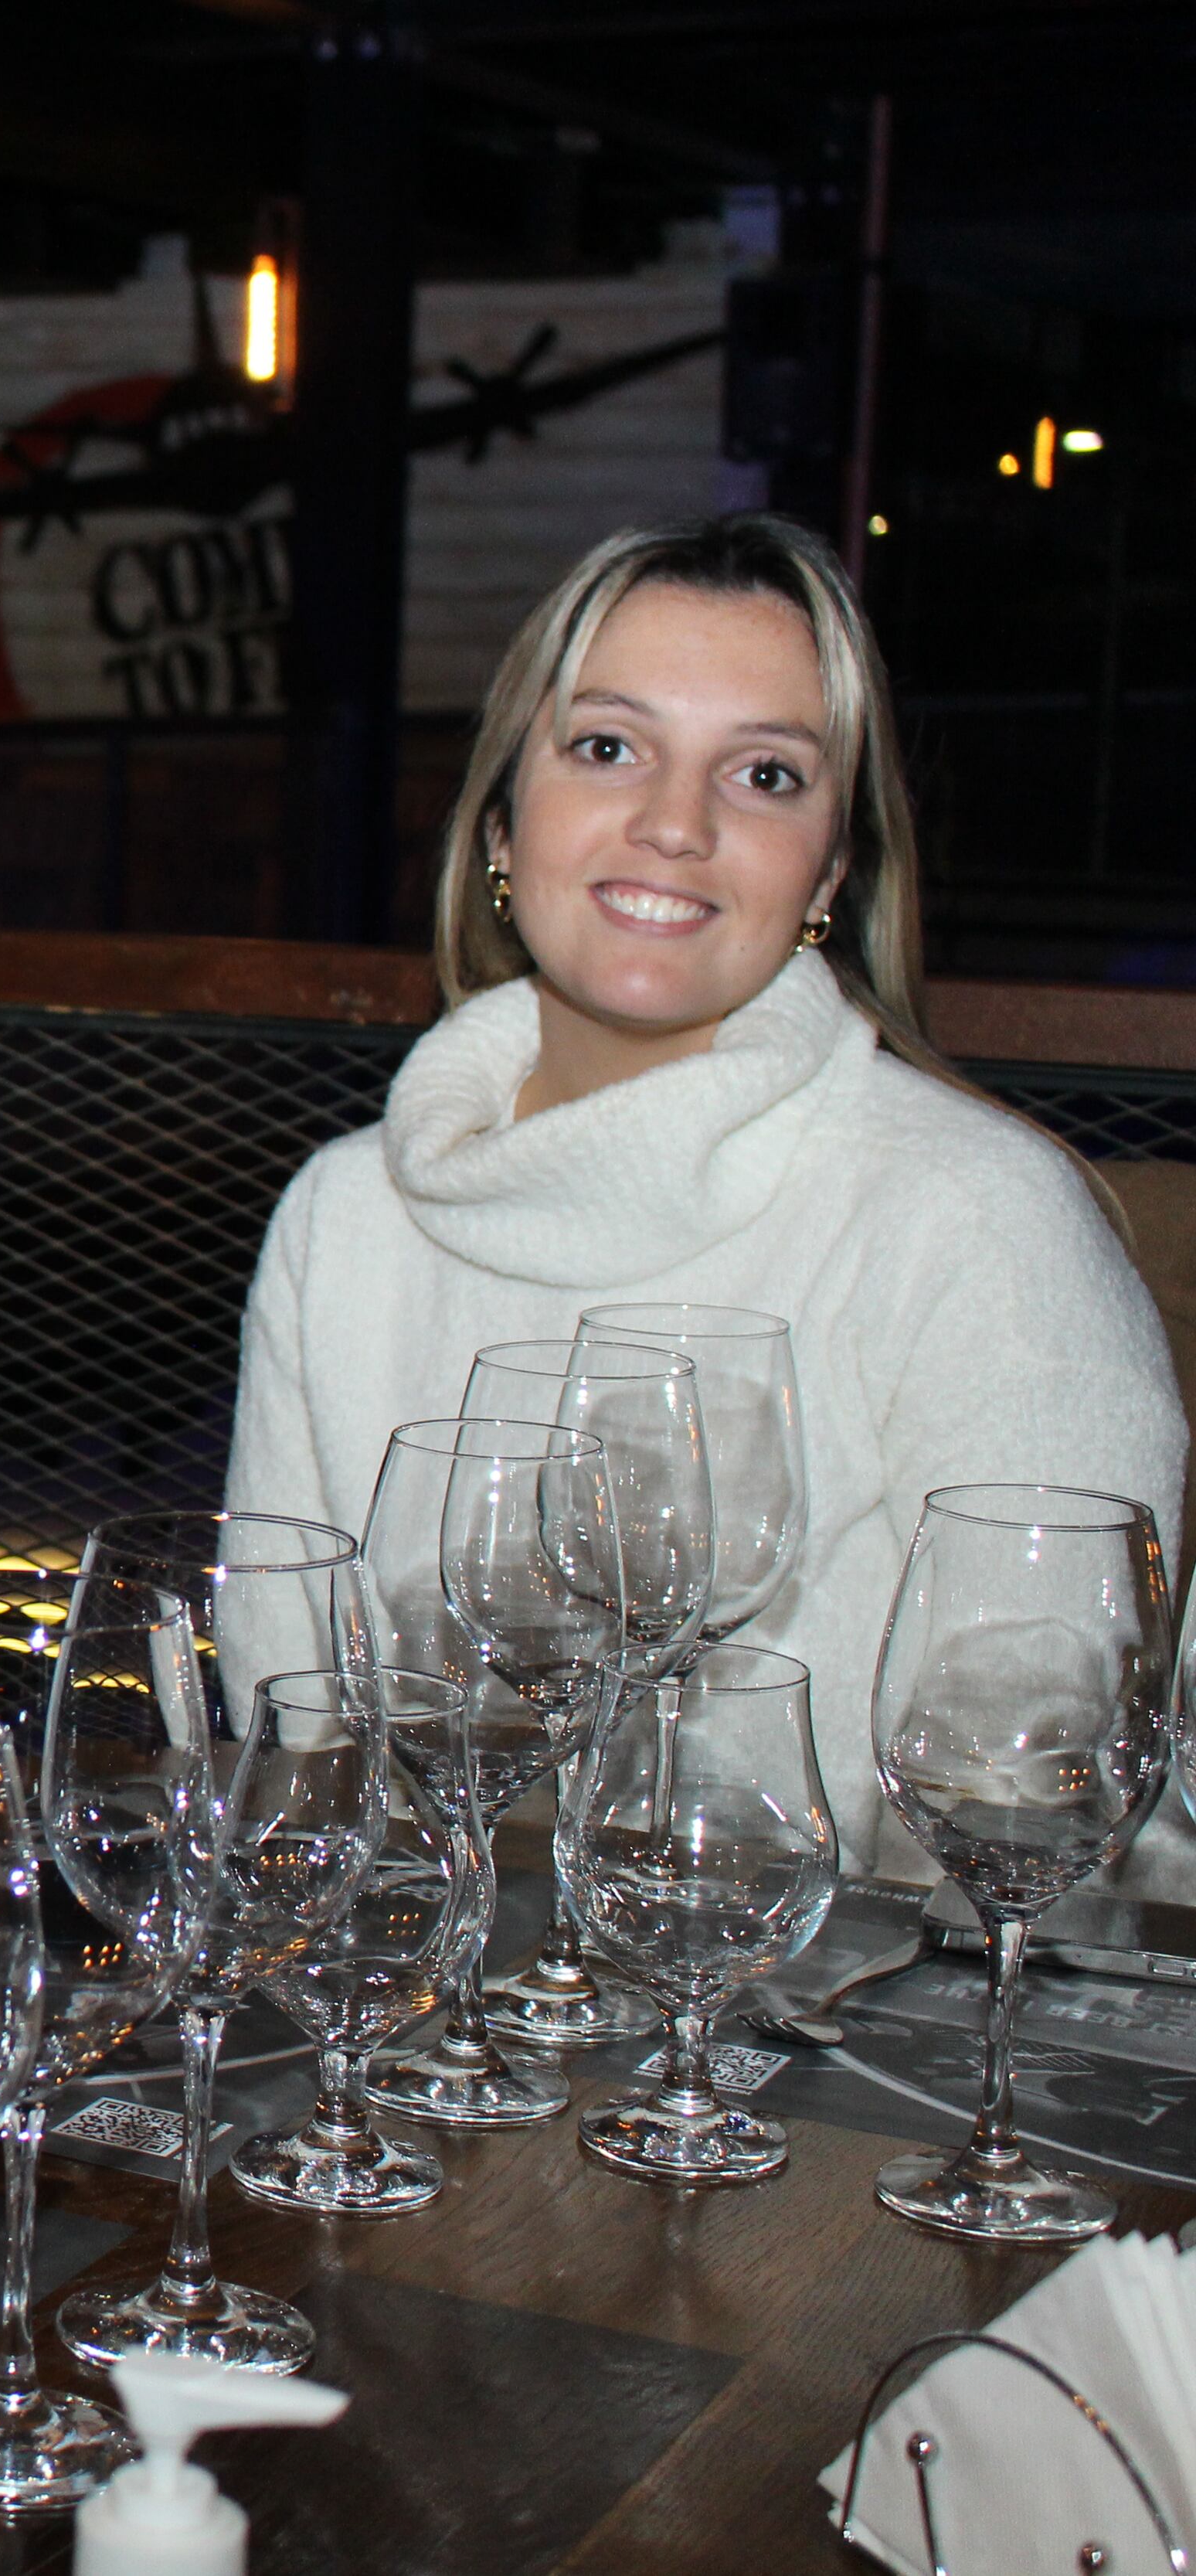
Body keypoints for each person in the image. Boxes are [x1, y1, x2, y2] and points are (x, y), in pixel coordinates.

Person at [226, 512, 1184, 1880]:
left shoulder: (978, 1216)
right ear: (504, 819)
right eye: (608, 747)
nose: (676, 824)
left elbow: (1033, 1798)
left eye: (767, 773)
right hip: (430, 2016)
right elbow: (301, 1739)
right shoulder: (345, 1216)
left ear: (830, 873)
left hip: (844, 2034)